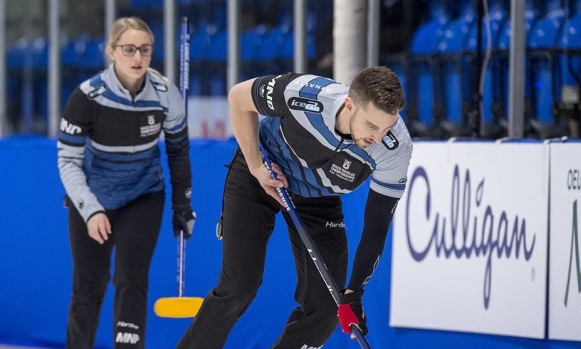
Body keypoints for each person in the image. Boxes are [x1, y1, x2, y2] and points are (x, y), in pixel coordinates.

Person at [177, 66, 413, 348]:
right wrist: (255, 166)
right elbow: (238, 97)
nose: (377, 138)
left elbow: (376, 230)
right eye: (371, 126)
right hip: (264, 171)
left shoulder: (395, 147)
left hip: (318, 197)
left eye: (386, 127)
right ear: (350, 105)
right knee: (239, 287)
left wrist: (355, 292)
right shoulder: (305, 94)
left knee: (326, 309)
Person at [57, 16, 196, 349]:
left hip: (143, 195)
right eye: (129, 49)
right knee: (89, 285)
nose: (138, 58)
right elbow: (68, 161)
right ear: (112, 51)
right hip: (93, 197)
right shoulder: (88, 97)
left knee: (132, 279)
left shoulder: (166, 95)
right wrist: (90, 210)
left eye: (145, 50)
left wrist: (183, 206)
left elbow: (178, 154)